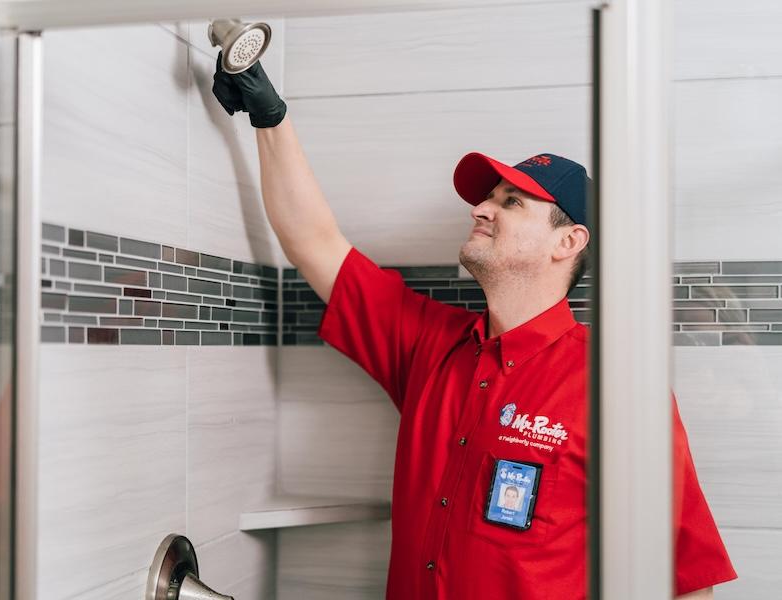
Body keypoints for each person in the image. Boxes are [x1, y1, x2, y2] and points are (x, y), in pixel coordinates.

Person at [211, 52, 738, 600]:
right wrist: (270, 118)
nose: (481, 210)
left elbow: (684, 581)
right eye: (488, 198)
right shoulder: (428, 343)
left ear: (568, 241)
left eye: (511, 202)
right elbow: (314, 241)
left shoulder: (619, 388)